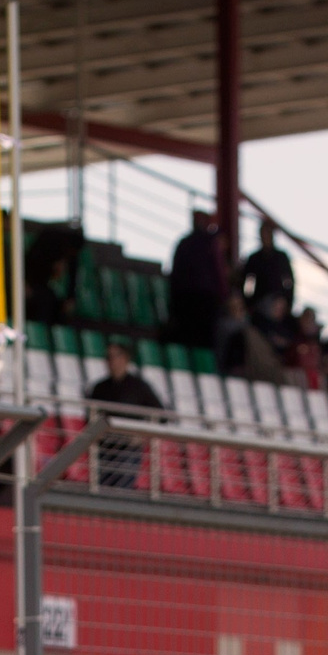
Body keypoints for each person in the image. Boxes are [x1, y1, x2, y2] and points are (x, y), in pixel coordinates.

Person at [86, 339, 167, 491]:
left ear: (125, 359)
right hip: (106, 447)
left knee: (122, 489)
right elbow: (90, 415)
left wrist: (142, 435)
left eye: (114, 356)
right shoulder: (99, 388)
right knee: (103, 489)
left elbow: (161, 416)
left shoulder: (139, 387)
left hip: (128, 448)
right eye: (108, 357)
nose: (111, 361)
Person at [167, 208, 225, 347]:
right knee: (204, 343)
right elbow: (219, 272)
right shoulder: (210, 244)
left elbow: (174, 274)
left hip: (186, 301)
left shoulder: (184, 243)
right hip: (204, 301)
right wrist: (223, 295)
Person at [240, 219, 296, 317]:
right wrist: (248, 302)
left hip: (278, 300)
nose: (265, 237)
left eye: (267, 233)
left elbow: (289, 281)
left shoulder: (281, 257)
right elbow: (247, 281)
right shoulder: (254, 258)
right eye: (263, 233)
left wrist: (288, 301)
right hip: (260, 301)